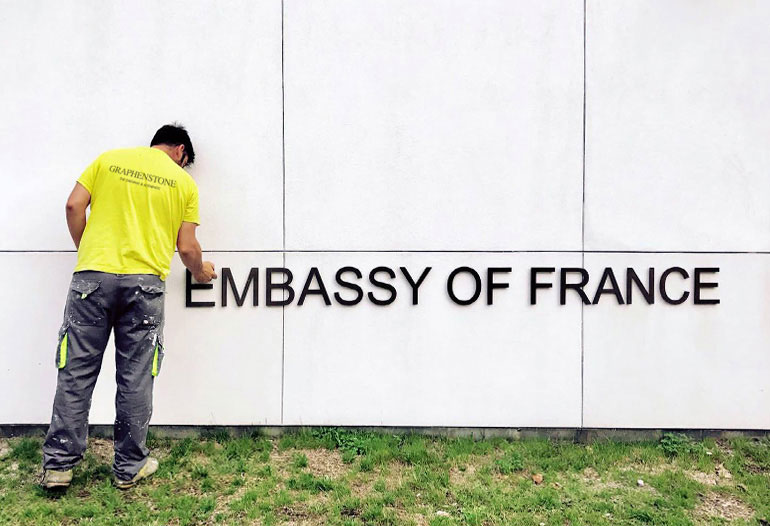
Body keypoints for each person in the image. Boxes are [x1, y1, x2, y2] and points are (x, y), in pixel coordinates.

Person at [40, 124, 217, 490]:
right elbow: (187, 248)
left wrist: (87, 251)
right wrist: (201, 272)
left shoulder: (109, 160)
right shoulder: (183, 184)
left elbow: (74, 205)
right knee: (135, 377)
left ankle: (59, 466)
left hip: (92, 277)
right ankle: (128, 466)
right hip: (144, 285)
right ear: (181, 152)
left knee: (75, 371)